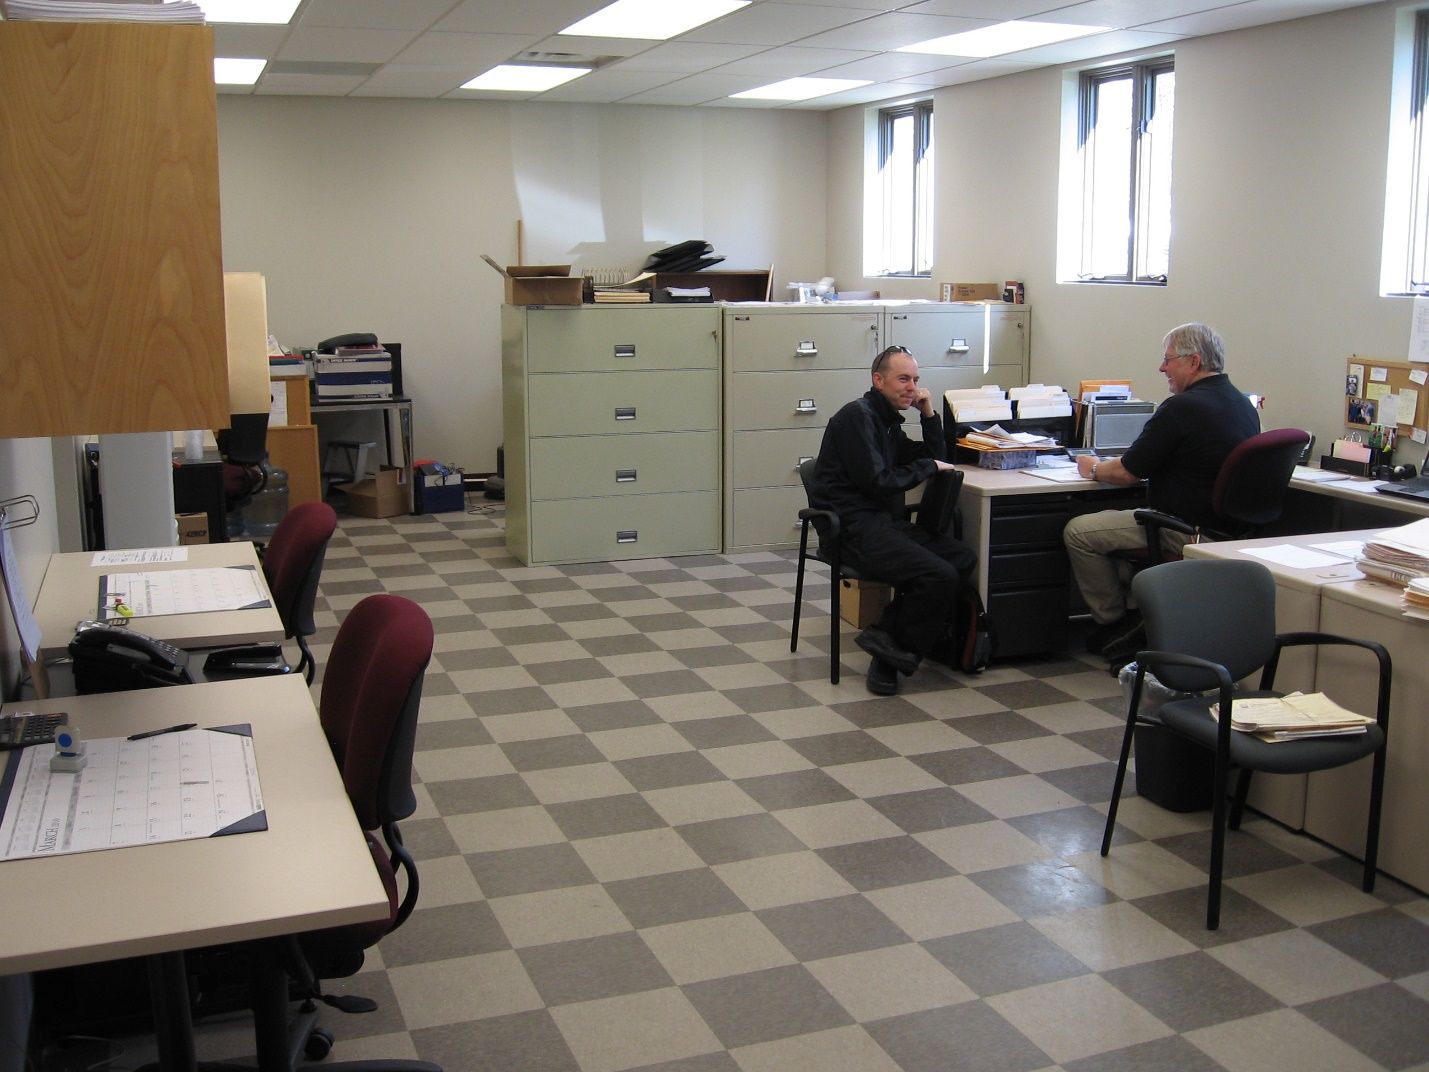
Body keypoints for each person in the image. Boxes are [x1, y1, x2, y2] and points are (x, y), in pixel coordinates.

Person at [1063, 322, 1261, 655]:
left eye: (1168, 359)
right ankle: (1141, 614)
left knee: (1079, 532)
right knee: (1114, 538)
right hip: (1227, 529)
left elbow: (1127, 473)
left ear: (1194, 362)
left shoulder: (1182, 408)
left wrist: (1093, 467)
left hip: (1183, 529)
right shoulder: (1242, 404)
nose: (1162, 367)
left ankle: (1115, 623)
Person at [809, 345, 978, 695]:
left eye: (915, 380)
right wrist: (926, 467)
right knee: (937, 574)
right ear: (878, 380)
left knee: (961, 558)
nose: (911, 387)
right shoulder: (859, 417)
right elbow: (879, 481)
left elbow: (936, 457)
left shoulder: (886, 422)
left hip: (881, 523)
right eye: (903, 379)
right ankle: (888, 658)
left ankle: (888, 637)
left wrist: (929, 415)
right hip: (850, 529)